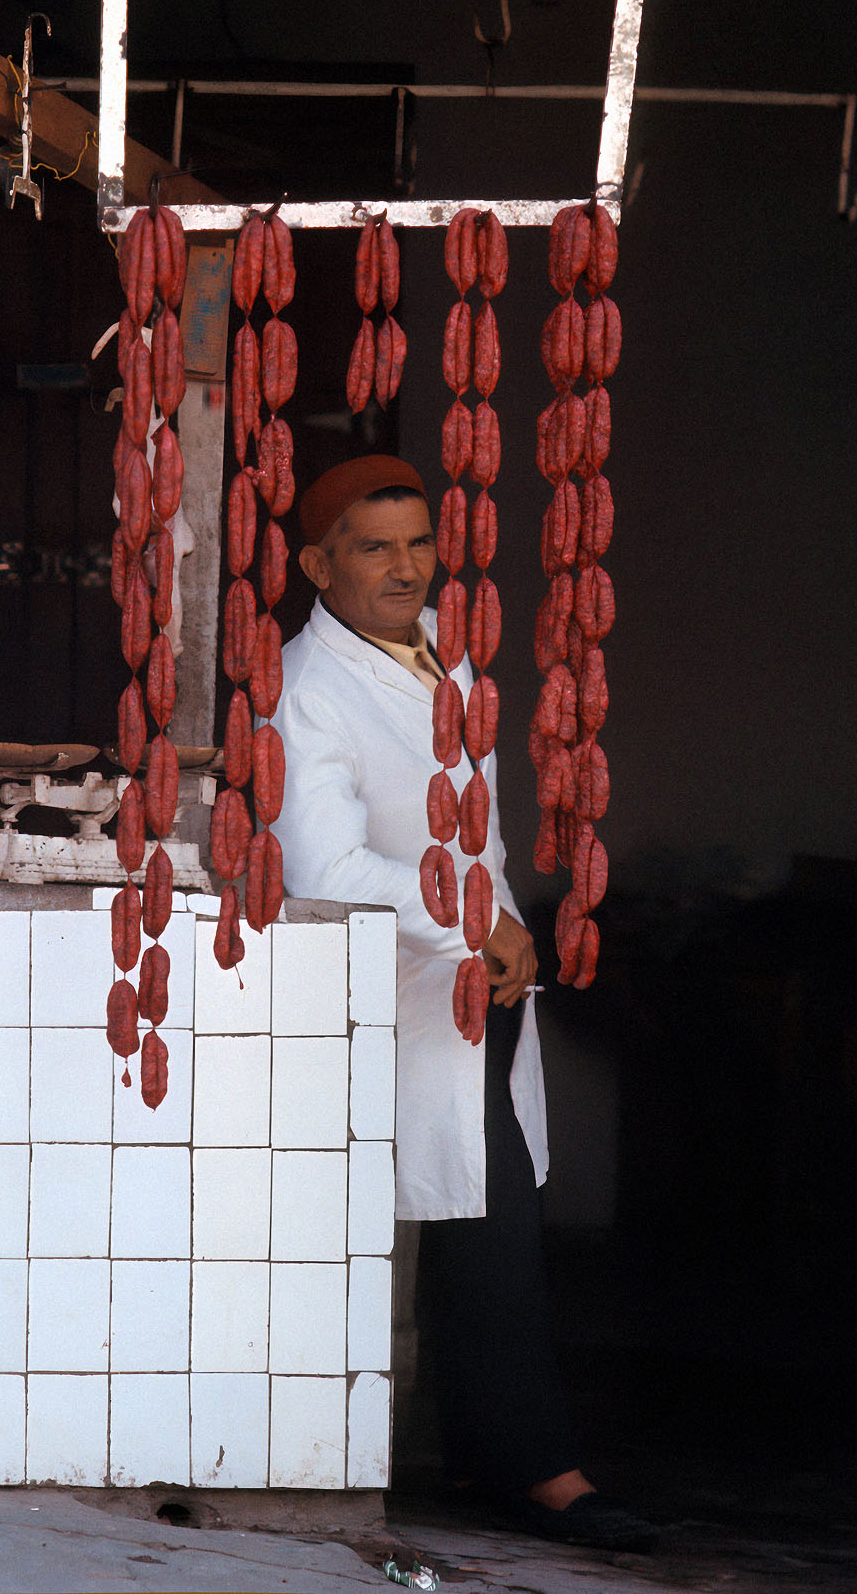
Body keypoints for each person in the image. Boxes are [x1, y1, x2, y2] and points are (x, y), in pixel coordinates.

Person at [270, 454, 655, 1551]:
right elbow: (323, 863)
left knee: (484, 1214)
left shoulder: (447, 647)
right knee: (474, 1220)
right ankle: (537, 1468)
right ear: (316, 563)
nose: (405, 566)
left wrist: (494, 931)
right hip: (392, 986)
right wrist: (474, 918)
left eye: (417, 541)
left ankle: (500, 1455)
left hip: (470, 984)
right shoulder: (307, 687)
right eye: (373, 546)